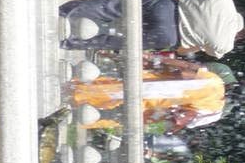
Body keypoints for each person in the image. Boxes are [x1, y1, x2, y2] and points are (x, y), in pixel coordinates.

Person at [60, 0, 245, 57]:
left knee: (111, 8)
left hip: (167, 8)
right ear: (242, 32)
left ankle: (65, 11)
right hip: (169, 37)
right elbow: (193, 49)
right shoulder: (226, 46)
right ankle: (69, 43)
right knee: (117, 41)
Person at [68, 55, 228, 131]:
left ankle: (67, 96)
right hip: (147, 112)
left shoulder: (214, 82)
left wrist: (154, 59)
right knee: (95, 116)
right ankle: (72, 116)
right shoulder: (215, 111)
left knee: (90, 91)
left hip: (149, 87)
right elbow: (180, 122)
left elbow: (183, 70)